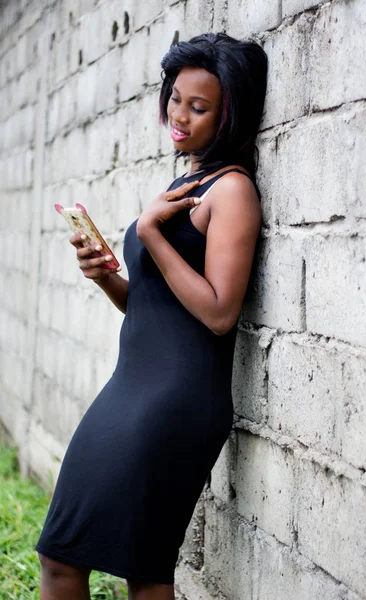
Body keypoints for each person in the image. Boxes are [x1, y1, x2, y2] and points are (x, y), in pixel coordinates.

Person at [36, 32, 268, 600]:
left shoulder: (231, 191)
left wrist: (149, 235)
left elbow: (217, 313)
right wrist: (108, 277)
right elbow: (158, 307)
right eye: (175, 98)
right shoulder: (185, 182)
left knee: (128, 565)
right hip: (133, 387)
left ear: (230, 113)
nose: (179, 116)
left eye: (199, 106)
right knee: (72, 554)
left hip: (177, 399)